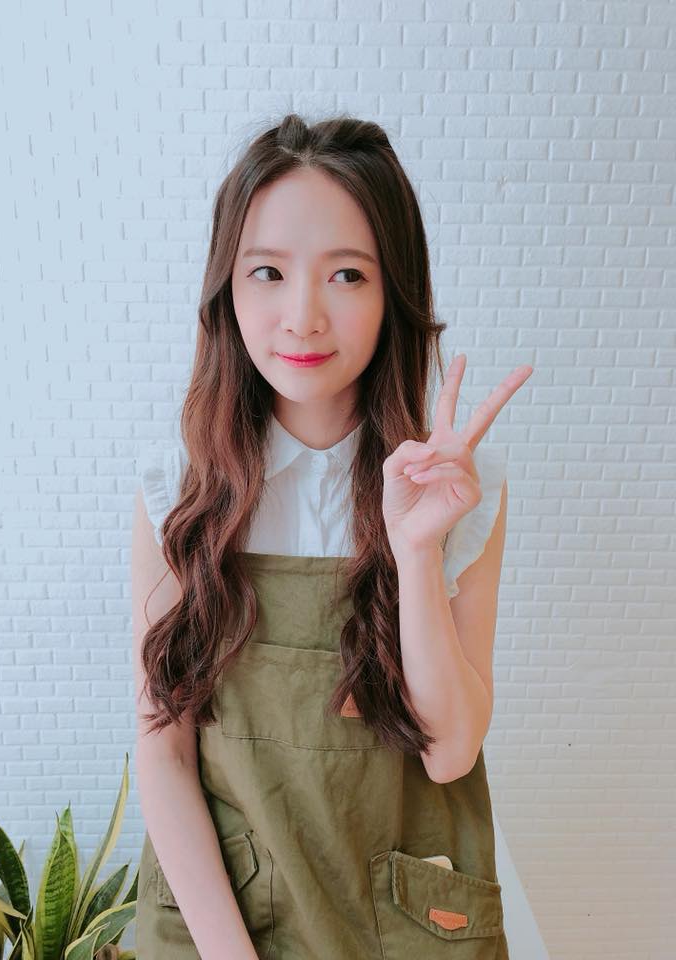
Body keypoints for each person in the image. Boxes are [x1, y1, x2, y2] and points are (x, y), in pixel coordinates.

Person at [131, 112, 532, 960]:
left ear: (394, 293)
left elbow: (452, 751)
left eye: (347, 274)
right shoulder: (181, 489)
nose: (302, 317)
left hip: (402, 921)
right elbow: (162, 755)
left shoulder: (462, 491)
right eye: (268, 273)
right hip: (222, 922)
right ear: (228, 289)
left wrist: (414, 549)